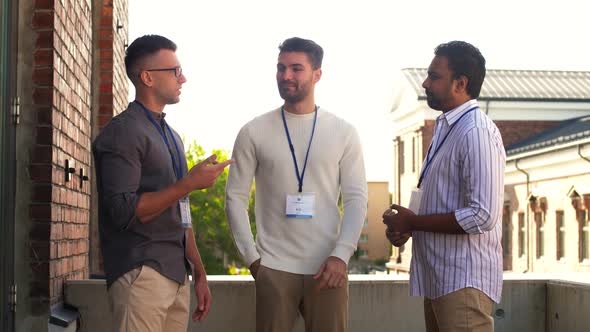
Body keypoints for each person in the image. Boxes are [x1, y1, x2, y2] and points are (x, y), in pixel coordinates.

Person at [225, 37, 368, 332]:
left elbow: (356, 199)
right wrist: (253, 260)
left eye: (295, 68)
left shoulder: (344, 132)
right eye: (280, 68)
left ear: (317, 74)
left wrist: (341, 255)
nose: (285, 75)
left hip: (327, 267)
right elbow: (234, 198)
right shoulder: (253, 131)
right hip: (274, 268)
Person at [92, 34, 232, 332]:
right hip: (141, 276)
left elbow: (181, 211)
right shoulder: (123, 133)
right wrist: (189, 183)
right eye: (175, 71)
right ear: (147, 77)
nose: (183, 78)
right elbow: (122, 211)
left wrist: (200, 272)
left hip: (177, 277)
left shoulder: (172, 136)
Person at [383, 41, 505, 332]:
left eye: (434, 76)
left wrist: (413, 221)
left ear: (460, 83)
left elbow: (482, 215)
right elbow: (438, 198)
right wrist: (408, 226)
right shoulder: (447, 127)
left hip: (463, 282)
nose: (425, 83)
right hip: (441, 279)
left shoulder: (476, 131)